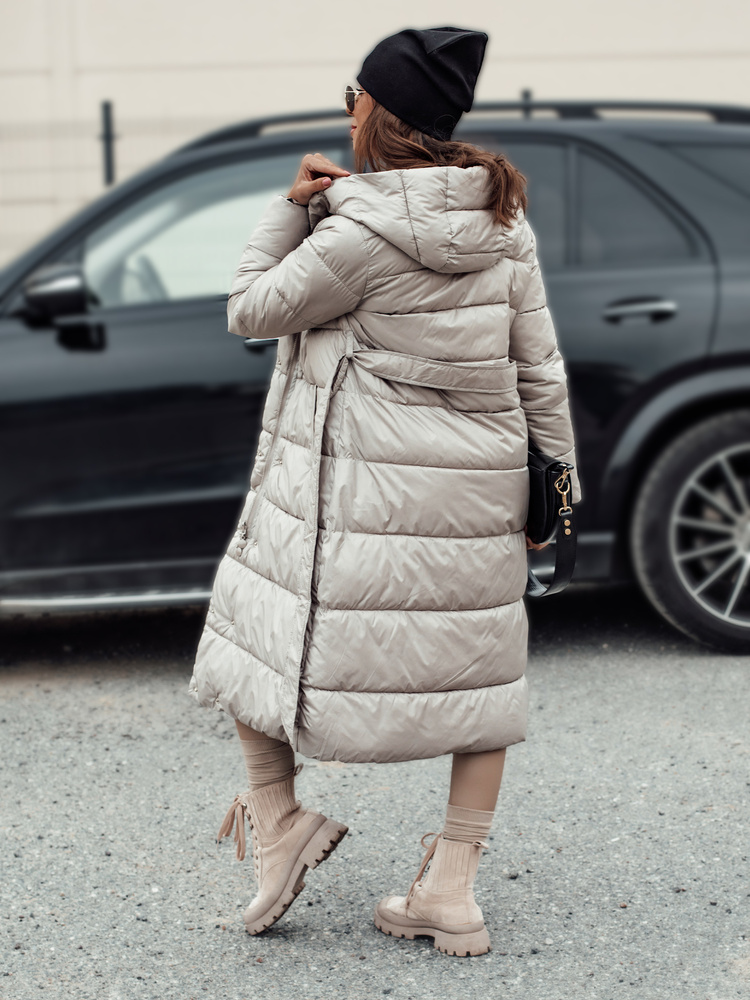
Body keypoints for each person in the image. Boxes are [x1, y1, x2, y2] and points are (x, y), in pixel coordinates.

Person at [188, 25, 581, 957]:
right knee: (482, 675)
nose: (347, 110)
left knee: (251, 621)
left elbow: (249, 307)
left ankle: (280, 821)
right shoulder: (503, 223)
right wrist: (555, 493)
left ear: (377, 112)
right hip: (477, 493)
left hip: (364, 499)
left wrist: (291, 206)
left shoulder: (356, 233)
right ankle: (452, 889)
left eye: (351, 96)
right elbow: (540, 366)